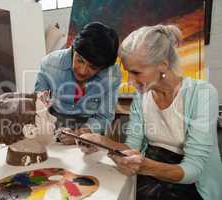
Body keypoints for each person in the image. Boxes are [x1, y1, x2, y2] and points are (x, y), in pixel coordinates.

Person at [79, 25, 222, 200]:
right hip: (150, 168)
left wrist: (145, 167)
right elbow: (133, 148)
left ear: (163, 65)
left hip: (189, 182)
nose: (130, 81)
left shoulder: (202, 94)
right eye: (127, 72)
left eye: (136, 72)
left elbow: (193, 170)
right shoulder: (142, 97)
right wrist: (100, 141)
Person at [35, 22, 121, 144]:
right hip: (52, 133)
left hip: (89, 137)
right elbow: (37, 107)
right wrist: (40, 103)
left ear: (103, 67)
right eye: (79, 60)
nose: (82, 71)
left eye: (93, 67)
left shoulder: (112, 75)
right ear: (73, 48)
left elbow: (104, 117)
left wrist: (79, 134)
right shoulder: (50, 64)